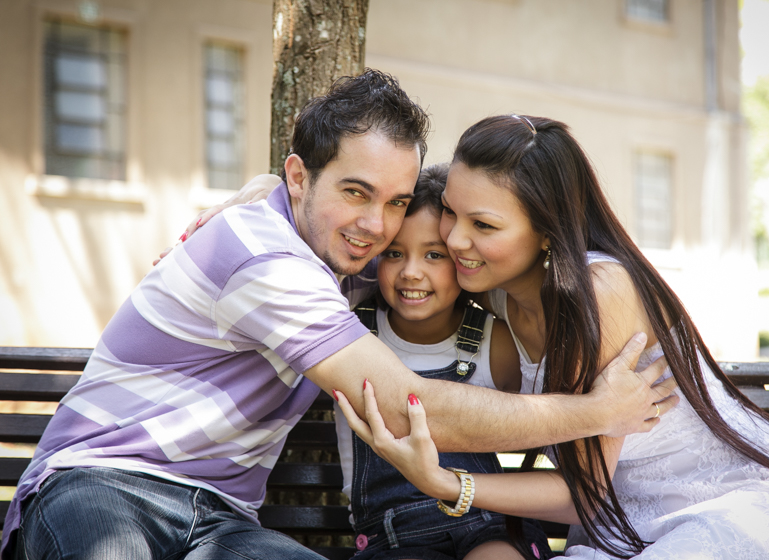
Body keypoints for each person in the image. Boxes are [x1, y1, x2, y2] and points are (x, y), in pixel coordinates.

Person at [2, 73, 676, 560]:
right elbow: (408, 403)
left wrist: (261, 187)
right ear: (299, 178)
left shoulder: (349, 271)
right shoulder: (263, 258)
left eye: (394, 201)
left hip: (222, 523)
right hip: (105, 481)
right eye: (356, 192)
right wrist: (594, 413)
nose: (375, 227)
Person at [336, 115, 769, 559]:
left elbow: (585, 495)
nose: (455, 238)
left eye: (484, 225)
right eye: (451, 210)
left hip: (727, 510)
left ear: (548, 231)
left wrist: (447, 484)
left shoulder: (599, 292)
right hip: (623, 523)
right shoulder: (492, 291)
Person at [335, 163, 553, 559]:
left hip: (487, 523)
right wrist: (264, 189)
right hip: (394, 536)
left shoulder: (495, 341)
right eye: (394, 253)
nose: (411, 273)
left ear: (462, 259)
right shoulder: (347, 333)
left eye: (434, 254)